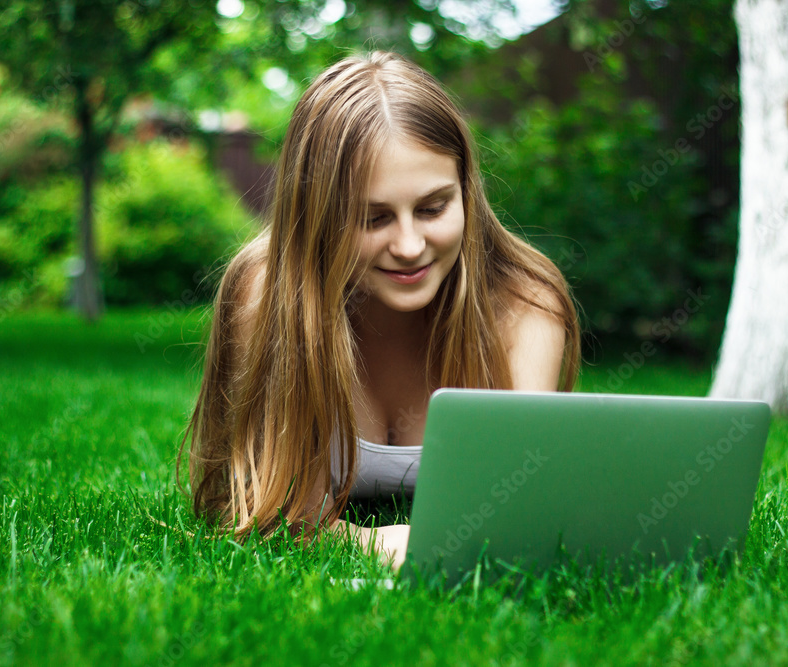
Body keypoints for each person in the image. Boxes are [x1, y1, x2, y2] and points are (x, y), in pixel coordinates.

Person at [176, 50, 580, 571]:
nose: (410, 246)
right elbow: (276, 512)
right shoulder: (266, 293)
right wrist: (378, 543)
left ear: (466, 191)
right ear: (317, 215)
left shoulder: (525, 304)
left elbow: (517, 513)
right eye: (373, 218)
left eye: (433, 208)